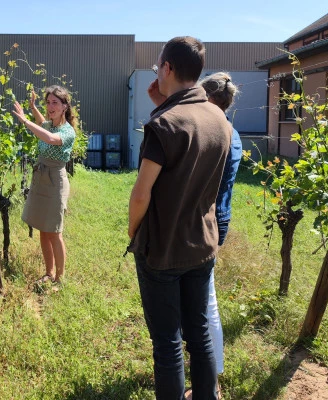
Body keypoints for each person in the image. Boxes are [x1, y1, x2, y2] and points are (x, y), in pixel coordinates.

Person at [127, 37, 232, 399]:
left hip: (163, 250)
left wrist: (133, 230)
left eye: (159, 67)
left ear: (168, 68)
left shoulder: (164, 125)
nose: (157, 72)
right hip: (202, 243)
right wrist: (163, 105)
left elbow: (141, 193)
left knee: (168, 343)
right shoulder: (219, 118)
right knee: (198, 333)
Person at [193, 71, 242, 399]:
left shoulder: (217, 133)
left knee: (205, 303)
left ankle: (211, 382)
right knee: (201, 298)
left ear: (208, 100)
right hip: (217, 218)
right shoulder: (231, 132)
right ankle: (209, 373)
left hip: (206, 220)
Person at [12, 85, 76, 285]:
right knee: (43, 229)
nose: (50, 106)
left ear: (65, 106)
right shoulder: (50, 124)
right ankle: (48, 273)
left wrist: (24, 121)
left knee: (55, 231)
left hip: (55, 181)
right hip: (40, 178)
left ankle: (60, 278)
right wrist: (32, 108)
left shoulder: (67, 131)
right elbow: (43, 124)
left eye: (55, 102)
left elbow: (49, 138)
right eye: (48, 102)